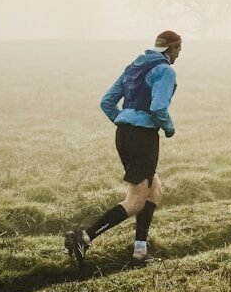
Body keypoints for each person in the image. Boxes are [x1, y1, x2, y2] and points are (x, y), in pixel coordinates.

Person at [65, 30, 181, 269]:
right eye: (178, 50)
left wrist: (126, 119)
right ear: (172, 49)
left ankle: (140, 252)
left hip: (124, 134)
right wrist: (168, 128)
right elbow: (159, 106)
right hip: (143, 137)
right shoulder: (165, 70)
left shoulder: (134, 67)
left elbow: (107, 101)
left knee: (154, 189)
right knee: (137, 199)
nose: (179, 55)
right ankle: (84, 238)